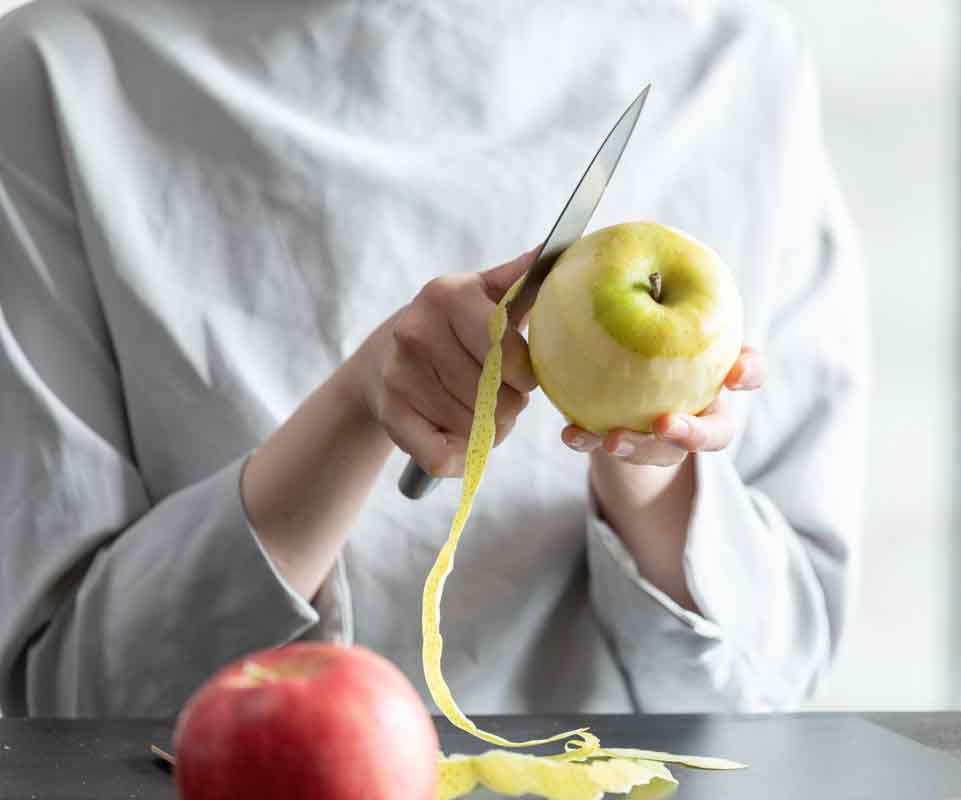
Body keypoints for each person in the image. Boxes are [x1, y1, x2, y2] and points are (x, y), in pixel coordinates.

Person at [0, 0, 869, 718]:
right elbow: (60, 705)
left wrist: (648, 464)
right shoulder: (55, 76)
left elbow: (780, 675)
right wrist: (352, 416)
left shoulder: (743, 66)